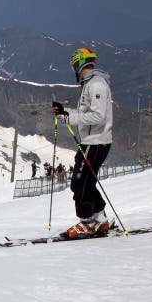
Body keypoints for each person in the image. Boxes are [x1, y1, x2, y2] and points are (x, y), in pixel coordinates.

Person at [52, 47, 113, 238]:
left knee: (79, 182)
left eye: (74, 65)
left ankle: (87, 222)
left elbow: (98, 116)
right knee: (87, 181)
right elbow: (86, 112)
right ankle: (99, 218)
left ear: (78, 64)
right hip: (91, 140)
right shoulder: (90, 84)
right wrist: (65, 112)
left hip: (95, 141)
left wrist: (69, 118)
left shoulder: (96, 85)